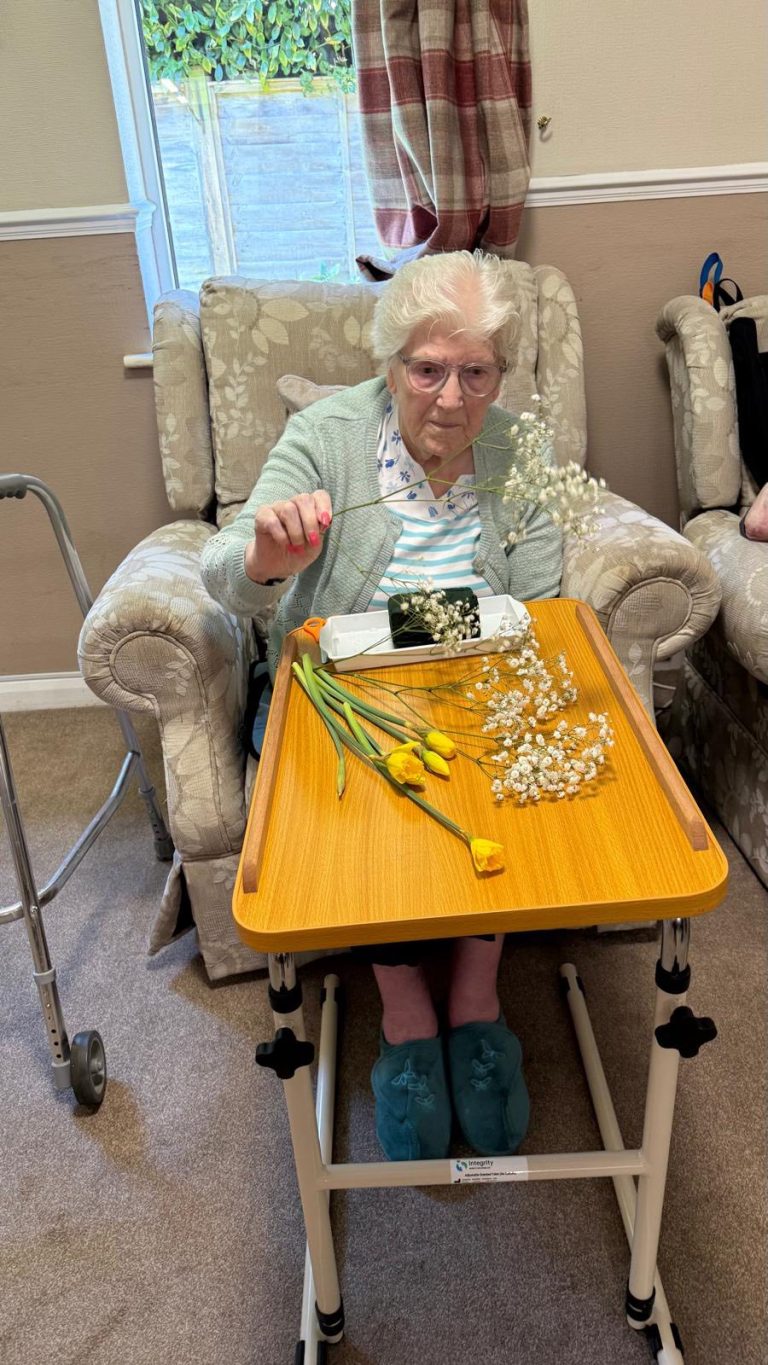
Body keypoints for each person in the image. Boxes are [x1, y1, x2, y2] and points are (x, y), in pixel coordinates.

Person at [201, 250, 562, 1162]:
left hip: (476, 684)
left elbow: (543, 601)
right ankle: (405, 1014)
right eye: (427, 369)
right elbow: (222, 573)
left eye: (474, 372)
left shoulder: (520, 449)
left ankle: (476, 996)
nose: (450, 398)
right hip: (346, 701)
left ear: (499, 375)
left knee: (504, 773)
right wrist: (265, 560)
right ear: (390, 365)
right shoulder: (327, 435)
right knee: (373, 810)